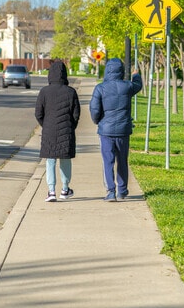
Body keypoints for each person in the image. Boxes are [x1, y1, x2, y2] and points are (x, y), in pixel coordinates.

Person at [89, 58, 142, 201]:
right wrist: (136, 74)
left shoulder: (100, 88)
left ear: (107, 70)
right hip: (123, 131)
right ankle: (122, 190)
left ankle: (110, 191)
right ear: (121, 71)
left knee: (108, 161)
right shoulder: (127, 87)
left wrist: (97, 122)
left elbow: (94, 110)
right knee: (122, 160)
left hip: (106, 131)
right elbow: (138, 85)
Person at [35, 61, 81, 202]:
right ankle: (65, 189)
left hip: (49, 130)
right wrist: (70, 126)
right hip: (66, 130)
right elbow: (76, 114)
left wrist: (46, 125)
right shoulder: (71, 92)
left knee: (50, 160)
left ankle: (51, 191)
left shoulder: (44, 92)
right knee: (65, 160)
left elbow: (38, 114)